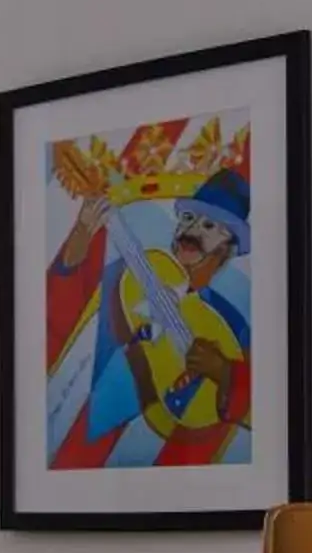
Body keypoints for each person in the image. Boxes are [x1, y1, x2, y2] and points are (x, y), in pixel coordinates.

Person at [44, 161, 252, 467]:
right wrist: (82, 233)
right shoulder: (125, 278)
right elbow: (57, 315)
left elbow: (268, 405)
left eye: (209, 227)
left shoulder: (232, 323)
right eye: (188, 218)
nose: (191, 231)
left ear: (228, 248)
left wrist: (223, 372)